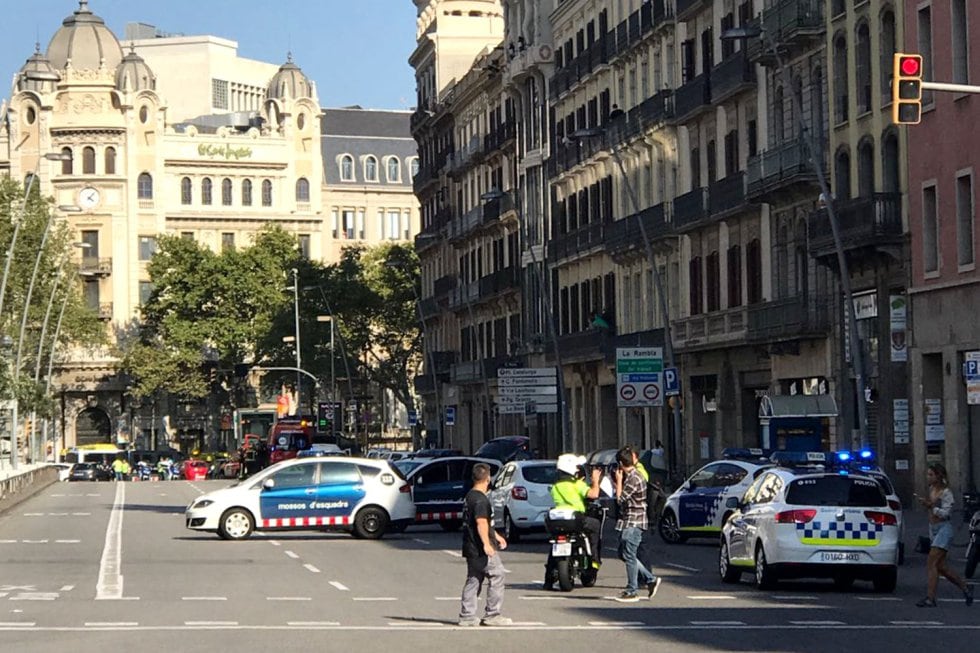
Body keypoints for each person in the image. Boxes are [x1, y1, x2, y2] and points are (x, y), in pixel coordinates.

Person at [458, 462, 511, 627]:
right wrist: (487, 544)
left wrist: (496, 536)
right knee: (498, 574)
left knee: (474, 578)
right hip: (480, 547)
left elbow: (484, 523)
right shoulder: (481, 500)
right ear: (487, 478)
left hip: (470, 546)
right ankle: (492, 614)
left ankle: (467, 615)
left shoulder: (470, 496)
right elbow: (481, 523)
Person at [915, 463, 974, 607]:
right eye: (928, 474)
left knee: (931, 562)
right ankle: (965, 587)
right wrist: (928, 506)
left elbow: (946, 513)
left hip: (944, 529)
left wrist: (931, 507)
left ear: (938, 476)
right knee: (941, 567)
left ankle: (930, 598)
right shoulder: (931, 489)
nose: (928, 477)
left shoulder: (946, 493)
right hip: (934, 529)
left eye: (931, 474)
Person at [544, 454, 603, 590]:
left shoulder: (555, 486)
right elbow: (593, 494)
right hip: (575, 519)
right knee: (595, 526)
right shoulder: (577, 485)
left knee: (553, 545)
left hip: (556, 521)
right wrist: (595, 481)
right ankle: (594, 560)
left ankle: (548, 578)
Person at [613, 446, 661, 602]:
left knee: (629, 554)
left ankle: (632, 589)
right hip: (630, 520)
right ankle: (650, 579)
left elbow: (620, 500)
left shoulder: (634, 478)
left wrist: (618, 482)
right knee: (624, 553)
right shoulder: (634, 476)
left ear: (621, 463)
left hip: (635, 521)